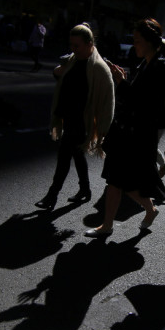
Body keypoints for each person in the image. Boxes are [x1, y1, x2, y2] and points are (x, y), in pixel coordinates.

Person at [85, 18, 165, 238]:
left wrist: (122, 83)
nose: (135, 45)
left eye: (138, 41)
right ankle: (143, 212)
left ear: (151, 41)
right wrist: (123, 82)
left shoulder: (160, 67)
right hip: (127, 132)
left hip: (137, 135)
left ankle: (110, 225)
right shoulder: (147, 63)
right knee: (118, 181)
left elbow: (144, 104)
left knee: (120, 181)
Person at [34, 23, 115, 211]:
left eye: (76, 45)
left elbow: (107, 101)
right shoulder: (73, 60)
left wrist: (103, 129)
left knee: (64, 157)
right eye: (71, 45)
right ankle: (85, 190)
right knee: (77, 154)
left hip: (83, 121)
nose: (73, 49)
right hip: (68, 116)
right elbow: (63, 77)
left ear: (89, 44)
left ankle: (51, 196)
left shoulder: (99, 68)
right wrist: (57, 72)